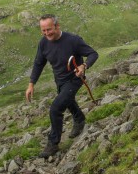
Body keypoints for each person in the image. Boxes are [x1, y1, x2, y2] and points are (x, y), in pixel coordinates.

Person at [25, 14, 98, 158]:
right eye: (43, 31)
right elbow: (39, 63)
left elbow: (93, 54)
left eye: (49, 29)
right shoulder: (43, 43)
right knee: (67, 100)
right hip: (59, 80)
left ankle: (53, 144)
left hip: (75, 78)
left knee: (55, 108)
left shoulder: (73, 40)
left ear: (57, 26)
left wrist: (84, 66)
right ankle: (79, 119)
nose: (46, 33)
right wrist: (31, 84)